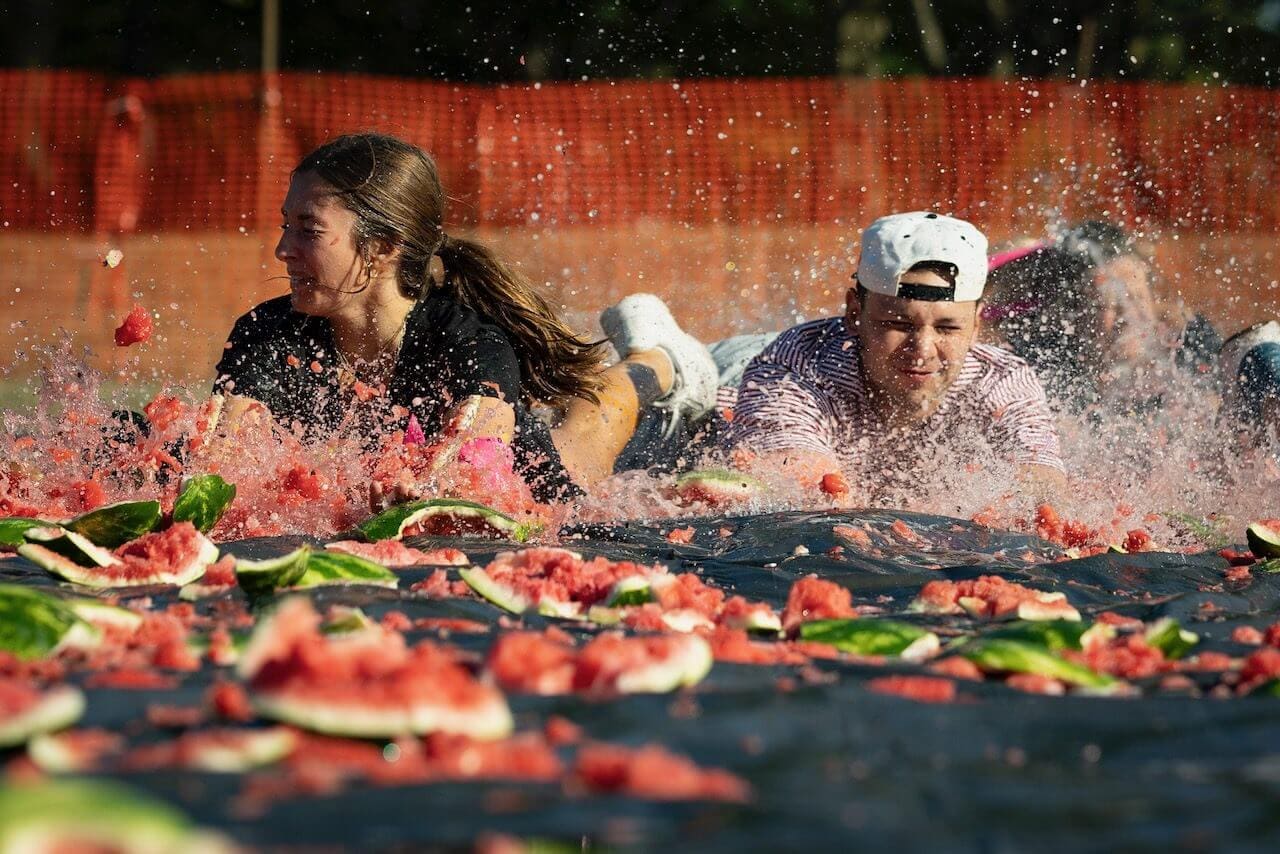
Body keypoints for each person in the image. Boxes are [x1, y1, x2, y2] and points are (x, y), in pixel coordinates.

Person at [213, 133, 719, 503]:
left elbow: (482, 448)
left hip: (536, 474)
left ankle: (659, 355)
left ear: (383, 247)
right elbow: (227, 443)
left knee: (589, 434)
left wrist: (435, 489)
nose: (282, 249)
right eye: (285, 225)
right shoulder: (267, 332)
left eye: (309, 230)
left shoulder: (467, 338)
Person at [717, 211, 1066, 501]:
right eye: (897, 324)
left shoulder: (1001, 380)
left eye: (947, 329)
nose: (922, 351)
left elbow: (1042, 488)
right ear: (855, 312)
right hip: (733, 370)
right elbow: (809, 494)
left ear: (976, 326)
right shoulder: (793, 369)